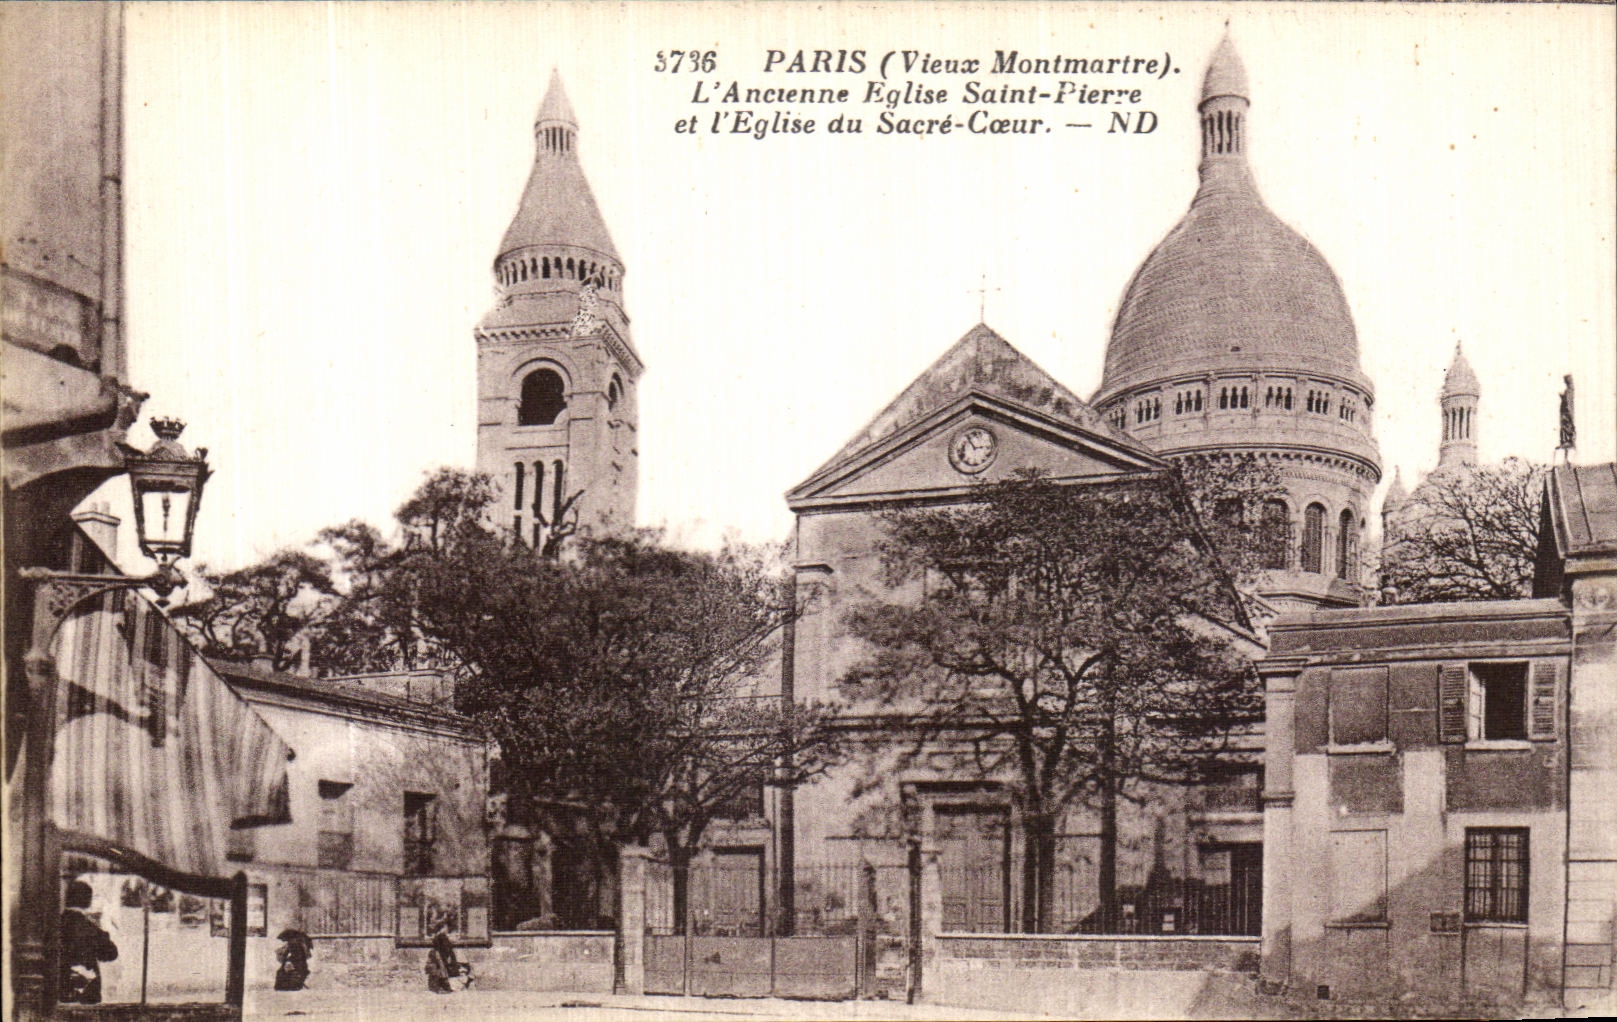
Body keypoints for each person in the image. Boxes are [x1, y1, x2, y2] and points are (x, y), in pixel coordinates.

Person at [60, 879, 118, 1005]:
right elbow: (111, 953)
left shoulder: (55, 924)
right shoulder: (90, 928)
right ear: (88, 901)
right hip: (86, 992)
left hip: (59, 989)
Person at [424, 929, 472, 993]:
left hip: (450, 975)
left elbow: (452, 965)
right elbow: (437, 968)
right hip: (441, 977)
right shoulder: (435, 953)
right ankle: (442, 986)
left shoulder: (450, 953)